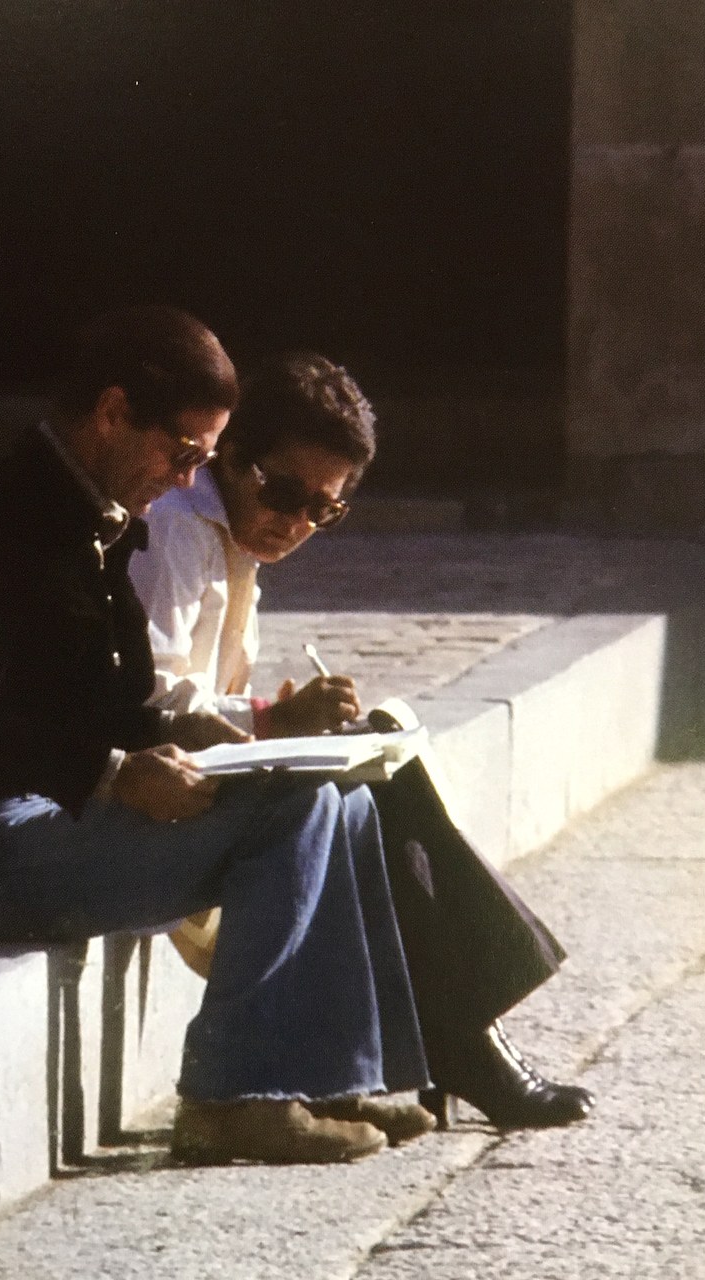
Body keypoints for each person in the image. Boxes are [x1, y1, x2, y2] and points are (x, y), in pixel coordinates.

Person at [0, 306, 439, 1168]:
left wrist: (216, 741)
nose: (189, 475)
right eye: (184, 452)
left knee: (339, 795)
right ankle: (230, 1096)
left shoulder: (99, 516)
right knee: (292, 813)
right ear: (113, 413)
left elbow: (115, 696)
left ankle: (331, 1070)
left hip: (59, 817)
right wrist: (114, 771)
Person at [129, 351, 597, 1131]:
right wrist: (275, 724)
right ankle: (465, 1041)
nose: (295, 521)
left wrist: (282, 720)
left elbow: (200, 699)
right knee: (368, 790)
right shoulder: (179, 528)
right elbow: (149, 696)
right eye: (283, 493)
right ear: (233, 458)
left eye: (323, 510)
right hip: (146, 789)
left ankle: (459, 1038)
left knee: (381, 752)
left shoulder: (230, 538)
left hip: (194, 776)